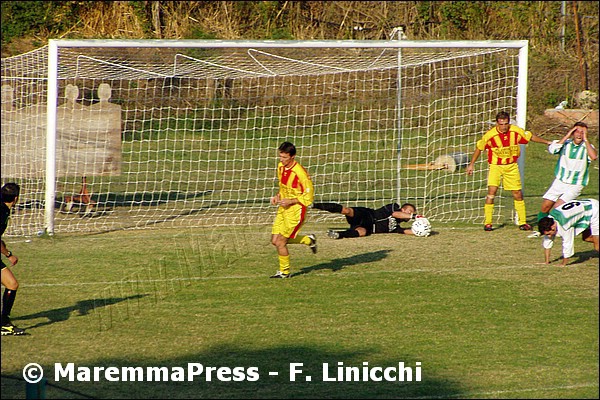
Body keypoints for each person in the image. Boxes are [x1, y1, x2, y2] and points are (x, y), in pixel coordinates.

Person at [466, 111, 551, 231]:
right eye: (501, 124)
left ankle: (522, 222)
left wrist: (547, 142)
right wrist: (471, 164)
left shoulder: (515, 131)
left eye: (506, 123)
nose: (504, 127)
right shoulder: (490, 135)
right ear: (497, 123)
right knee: (491, 193)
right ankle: (488, 223)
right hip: (496, 166)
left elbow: (530, 137)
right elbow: (479, 149)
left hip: (511, 166)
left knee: (517, 193)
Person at [270, 142, 316, 278]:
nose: (281, 160)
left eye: (285, 157)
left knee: (280, 242)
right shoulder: (280, 167)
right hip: (283, 208)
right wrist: (277, 196)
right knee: (274, 240)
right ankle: (308, 240)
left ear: (293, 156)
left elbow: (308, 197)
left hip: (296, 210)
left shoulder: (300, 173)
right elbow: (283, 186)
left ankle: (285, 272)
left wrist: (291, 201)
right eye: (280, 156)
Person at [538, 122, 597, 221]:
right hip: (560, 181)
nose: (579, 134)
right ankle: (542, 228)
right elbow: (553, 149)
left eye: (582, 132)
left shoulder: (587, 147)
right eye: (577, 131)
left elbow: (594, 157)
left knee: (558, 207)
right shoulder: (565, 143)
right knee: (545, 207)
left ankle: (555, 229)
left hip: (576, 184)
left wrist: (586, 139)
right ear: (572, 133)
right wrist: (567, 135)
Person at [538, 199, 599, 266]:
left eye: (549, 234)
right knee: (586, 238)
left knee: (597, 246)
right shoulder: (549, 220)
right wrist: (547, 261)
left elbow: (568, 244)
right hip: (586, 207)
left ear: (553, 227)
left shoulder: (565, 225)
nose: (549, 236)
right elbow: (547, 242)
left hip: (594, 210)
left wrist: (563, 263)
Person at [313, 202, 422, 238]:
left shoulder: (396, 227)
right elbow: (395, 214)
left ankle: (338, 235)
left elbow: (405, 231)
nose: (410, 214)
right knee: (346, 210)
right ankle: (315, 205)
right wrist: (414, 216)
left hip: (368, 228)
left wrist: (420, 232)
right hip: (367, 215)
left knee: (362, 232)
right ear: (403, 209)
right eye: (409, 211)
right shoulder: (394, 206)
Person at [1, 182, 26, 336]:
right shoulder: (2, 212)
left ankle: (4, 323)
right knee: (12, 283)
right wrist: (9, 255)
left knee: (12, 284)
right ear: (16, 198)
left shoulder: (4, 209)